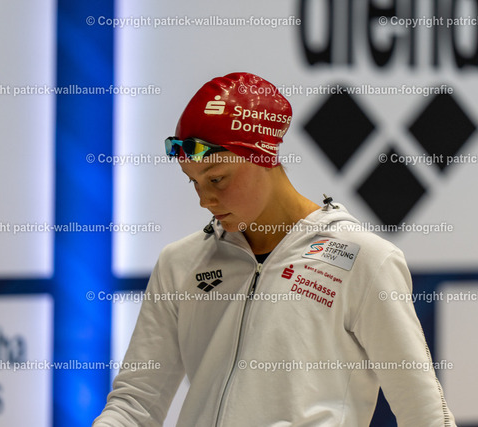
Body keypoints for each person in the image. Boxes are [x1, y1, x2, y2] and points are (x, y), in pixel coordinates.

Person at [93, 72, 456, 426]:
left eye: (217, 178)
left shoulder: (364, 260)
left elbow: (425, 415)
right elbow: (134, 406)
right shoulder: (181, 263)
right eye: (194, 182)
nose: (205, 199)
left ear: (263, 157)